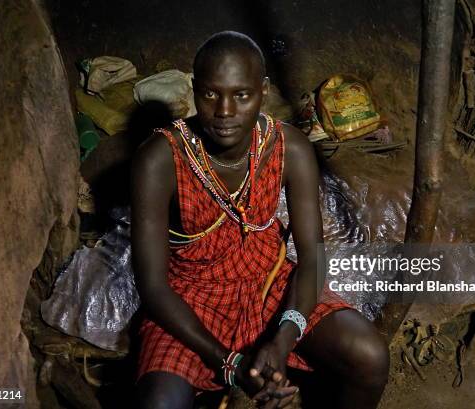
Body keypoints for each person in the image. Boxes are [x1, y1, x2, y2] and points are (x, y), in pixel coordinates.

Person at [131, 31, 389, 409]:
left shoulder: (289, 148)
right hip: (190, 299)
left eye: (241, 95)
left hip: (268, 283)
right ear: (193, 89)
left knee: (369, 355)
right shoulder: (160, 158)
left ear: (263, 92)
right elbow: (153, 288)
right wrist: (231, 364)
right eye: (210, 94)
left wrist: (283, 338)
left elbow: (313, 260)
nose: (224, 112)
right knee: (159, 404)